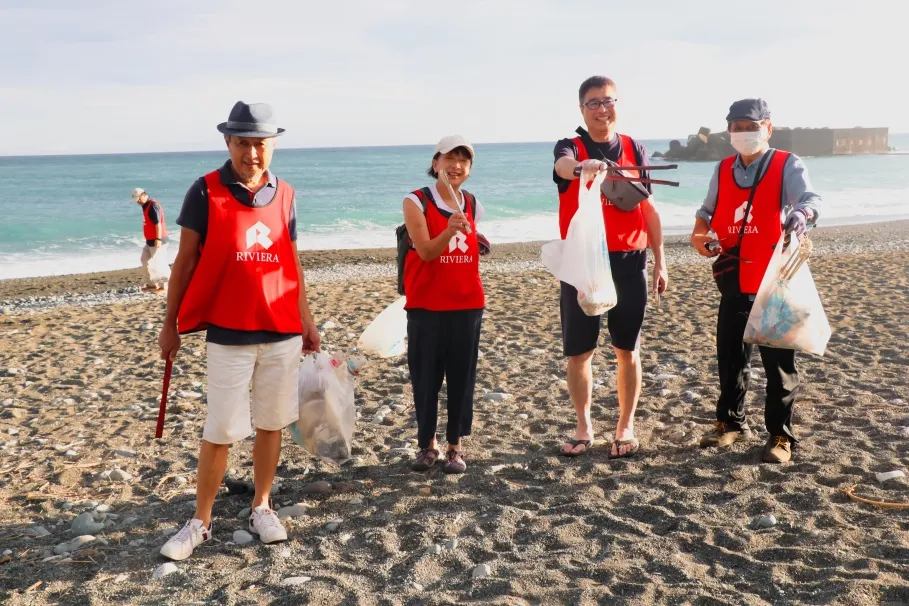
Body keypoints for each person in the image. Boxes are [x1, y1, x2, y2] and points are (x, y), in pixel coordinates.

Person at [157, 101, 321, 561]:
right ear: (228, 143)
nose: (252, 153)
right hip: (229, 331)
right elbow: (185, 262)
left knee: (271, 423)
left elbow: (292, 265)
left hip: (281, 329)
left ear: (273, 146)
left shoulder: (286, 194)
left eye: (260, 144)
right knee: (222, 427)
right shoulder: (205, 191)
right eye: (242, 143)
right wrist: (170, 325)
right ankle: (200, 521)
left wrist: (305, 320)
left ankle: (262, 506)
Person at [689, 98, 821, 464]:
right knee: (731, 357)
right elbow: (707, 212)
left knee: (779, 364)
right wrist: (700, 235)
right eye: (737, 127)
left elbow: (809, 199)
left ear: (767, 127)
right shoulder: (723, 168)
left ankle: (781, 436)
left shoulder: (786, 164)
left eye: (751, 126)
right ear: (729, 130)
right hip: (733, 277)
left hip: (773, 282)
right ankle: (730, 424)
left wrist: (801, 215)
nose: (744, 133)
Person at [552, 75, 668, 459]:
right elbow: (564, 165)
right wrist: (582, 166)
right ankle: (584, 426)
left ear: (618, 103)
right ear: (582, 109)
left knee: (626, 349)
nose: (603, 109)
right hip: (583, 260)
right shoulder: (571, 144)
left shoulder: (635, 148)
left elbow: (647, 208)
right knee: (580, 352)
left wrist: (660, 261)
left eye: (608, 101)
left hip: (629, 259)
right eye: (593, 103)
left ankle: (625, 425)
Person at [401, 135, 486, 475]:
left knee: (462, 379)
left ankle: (455, 447)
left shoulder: (473, 203)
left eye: (464, 160)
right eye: (449, 158)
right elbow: (425, 252)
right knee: (426, 378)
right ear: (435, 162)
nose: (456, 165)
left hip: (467, 304)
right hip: (426, 305)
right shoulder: (416, 200)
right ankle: (427, 446)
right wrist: (450, 230)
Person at [132, 187, 168, 293]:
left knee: (159, 263)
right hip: (149, 241)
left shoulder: (153, 205)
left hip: (158, 240)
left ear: (144, 195)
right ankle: (152, 285)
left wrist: (158, 238)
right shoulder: (145, 206)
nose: (138, 202)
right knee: (145, 260)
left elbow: (158, 224)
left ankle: (165, 286)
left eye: (139, 199)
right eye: (136, 200)